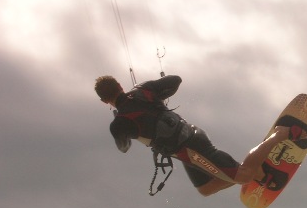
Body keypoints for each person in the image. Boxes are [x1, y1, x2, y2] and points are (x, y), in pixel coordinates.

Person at [94, 75, 292, 196]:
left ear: (104, 101)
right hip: (187, 144)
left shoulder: (119, 123)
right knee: (206, 188)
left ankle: (279, 136)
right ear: (120, 85)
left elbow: (123, 147)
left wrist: (123, 125)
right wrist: (155, 97)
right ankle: (252, 171)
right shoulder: (143, 91)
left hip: (190, 147)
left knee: (242, 175)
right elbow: (175, 80)